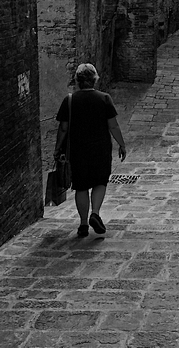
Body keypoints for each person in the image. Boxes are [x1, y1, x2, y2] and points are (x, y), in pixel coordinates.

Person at [54, 63, 127, 238]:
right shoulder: (104, 98)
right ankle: (95, 212)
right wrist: (122, 144)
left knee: (80, 186)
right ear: (95, 80)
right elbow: (113, 125)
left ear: (77, 81)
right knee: (100, 182)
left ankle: (83, 224)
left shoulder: (69, 100)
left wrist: (57, 148)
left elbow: (63, 128)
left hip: (77, 150)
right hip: (100, 149)